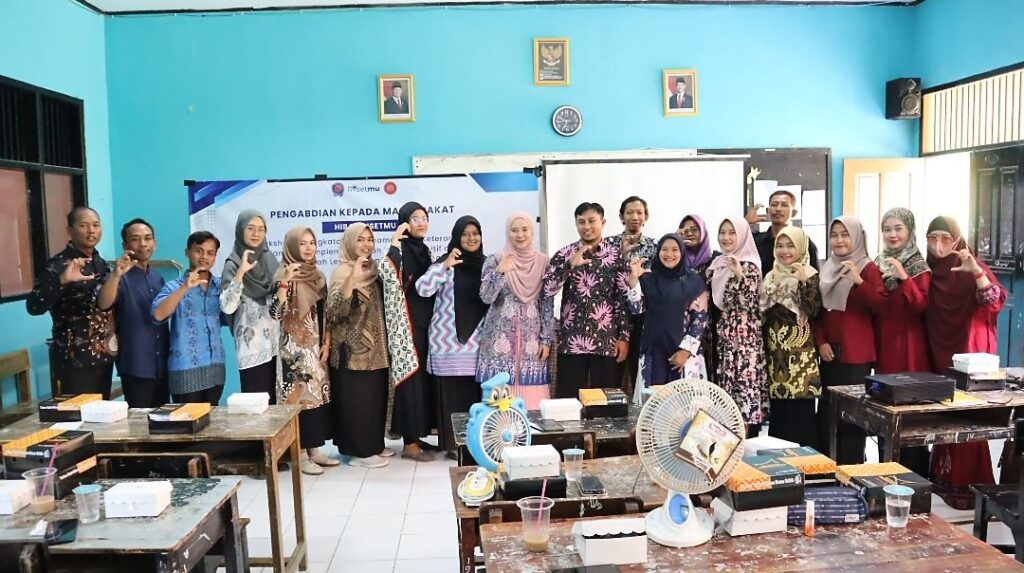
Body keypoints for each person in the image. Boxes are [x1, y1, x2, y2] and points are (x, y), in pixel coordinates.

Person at [924, 216, 1006, 509]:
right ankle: (943, 480)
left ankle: (968, 488)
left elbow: (994, 302)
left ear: (957, 240)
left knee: (967, 419)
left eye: (946, 238)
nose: (939, 244)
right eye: (933, 237)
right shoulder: (930, 270)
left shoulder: (970, 265)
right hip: (941, 347)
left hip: (969, 349)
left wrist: (978, 274)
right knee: (946, 416)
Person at [327, 223, 418, 469]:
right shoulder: (342, 271)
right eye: (360, 240)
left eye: (369, 239)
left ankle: (373, 444)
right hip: (352, 353)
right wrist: (352, 280)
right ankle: (359, 453)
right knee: (357, 403)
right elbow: (334, 310)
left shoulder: (373, 268)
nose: (366, 244)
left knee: (373, 402)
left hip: (376, 351)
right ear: (349, 243)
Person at [815, 216, 887, 464]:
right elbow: (818, 310)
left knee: (852, 416)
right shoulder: (827, 267)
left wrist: (859, 281)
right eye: (834, 235)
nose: (839, 240)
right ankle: (828, 466)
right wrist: (820, 341)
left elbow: (881, 305)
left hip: (856, 354)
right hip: (829, 353)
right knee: (828, 413)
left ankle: (852, 468)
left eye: (845, 234)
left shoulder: (868, 268)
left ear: (856, 237)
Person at [416, 216, 489, 455]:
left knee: (475, 401)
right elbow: (423, 289)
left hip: (477, 345)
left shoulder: (487, 265)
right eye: (465, 234)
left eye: (475, 233)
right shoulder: (445, 263)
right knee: (451, 400)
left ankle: (475, 445)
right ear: (457, 237)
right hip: (447, 347)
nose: (471, 238)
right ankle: (452, 446)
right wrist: (445, 265)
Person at [543, 202, 631, 399]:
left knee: (605, 403)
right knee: (568, 402)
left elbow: (622, 298)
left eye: (592, 221)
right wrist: (569, 266)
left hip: (606, 341)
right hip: (572, 341)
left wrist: (623, 337)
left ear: (603, 222)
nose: (587, 226)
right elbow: (547, 290)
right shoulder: (565, 254)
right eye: (581, 222)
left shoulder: (616, 256)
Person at [26, 207, 116, 398]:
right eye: (84, 225)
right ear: (70, 230)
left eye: (96, 225)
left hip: (104, 356)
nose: (91, 231)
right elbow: (34, 306)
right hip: (74, 359)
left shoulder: (101, 264)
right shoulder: (57, 265)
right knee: (77, 414)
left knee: (103, 413)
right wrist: (62, 281)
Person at [270, 227, 336, 475]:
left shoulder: (318, 276)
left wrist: (326, 342)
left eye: (312, 243)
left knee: (315, 401)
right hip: (293, 353)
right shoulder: (283, 274)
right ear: (291, 247)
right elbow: (275, 313)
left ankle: (314, 450)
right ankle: (298, 454)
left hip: (316, 349)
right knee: (298, 403)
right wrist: (285, 283)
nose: (309, 248)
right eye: (302, 243)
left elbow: (326, 313)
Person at [872, 208, 931, 475]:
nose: (892, 234)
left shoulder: (918, 265)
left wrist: (904, 279)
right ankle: (887, 472)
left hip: (909, 346)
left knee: (910, 410)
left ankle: (914, 475)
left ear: (909, 230)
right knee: (886, 408)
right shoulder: (879, 261)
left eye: (898, 228)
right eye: (887, 229)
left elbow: (921, 305)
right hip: (885, 344)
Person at [476, 212, 554, 409]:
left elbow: (547, 304)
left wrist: (546, 340)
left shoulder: (544, 262)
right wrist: (500, 272)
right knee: (499, 407)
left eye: (525, 229)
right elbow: (486, 297)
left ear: (532, 231)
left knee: (533, 405)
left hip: (532, 342)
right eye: (514, 230)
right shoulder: (495, 259)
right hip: (499, 342)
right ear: (507, 232)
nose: (520, 235)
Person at [627, 233, 709, 402]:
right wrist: (634, 280)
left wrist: (686, 351)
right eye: (664, 249)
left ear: (682, 252)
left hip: (683, 355)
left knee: (684, 406)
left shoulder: (694, 281)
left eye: (674, 250)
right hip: (653, 352)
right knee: (653, 405)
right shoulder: (648, 279)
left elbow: (700, 318)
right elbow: (636, 309)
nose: (669, 254)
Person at [96, 218, 169, 407]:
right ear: (125, 245)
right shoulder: (119, 277)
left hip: (162, 365)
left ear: (154, 243)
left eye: (148, 238)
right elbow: (103, 303)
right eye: (135, 239)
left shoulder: (157, 278)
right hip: (136, 365)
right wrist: (116, 275)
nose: (143, 244)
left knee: (163, 420)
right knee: (140, 421)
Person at [761, 227, 822, 448]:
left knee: (800, 417)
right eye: (780, 245)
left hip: (799, 358)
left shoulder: (810, 274)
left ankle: (806, 465)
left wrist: (804, 282)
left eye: (790, 246)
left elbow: (813, 310)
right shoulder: (770, 277)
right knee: (780, 417)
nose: (784, 251)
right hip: (775, 355)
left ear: (801, 248)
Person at [707, 217, 767, 437]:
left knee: (744, 390)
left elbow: (751, 304)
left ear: (742, 236)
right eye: (722, 232)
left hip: (744, 340)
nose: (726, 237)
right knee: (728, 393)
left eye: (732, 232)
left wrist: (740, 275)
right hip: (725, 337)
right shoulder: (718, 264)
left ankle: (747, 443)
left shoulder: (749, 265)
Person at [151, 231, 226, 406]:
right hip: (185, 372)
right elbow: (158, 314)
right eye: (199, 251)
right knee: (186, 420)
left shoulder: (220, 286)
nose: (204, 257)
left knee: (213, 419)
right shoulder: (174, 286)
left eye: (210, 253)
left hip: (216, 371)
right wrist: (185, 287)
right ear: (187, 252)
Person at [390, 202, 437, 462]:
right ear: (404, 223)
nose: (421, 222)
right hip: (407, 325)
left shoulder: (422, 249)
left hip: (424, 323)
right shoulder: (400, 249)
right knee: (410, 381)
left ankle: (417, 436)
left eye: (424, 218)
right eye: (415, 218)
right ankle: (409, 443)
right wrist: (395, 244)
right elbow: (394, 280)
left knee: (421, 382)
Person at [220, 210, 281, 401]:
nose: (256, 234)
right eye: (251, 228)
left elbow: (278, 304)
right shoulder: (232, 264)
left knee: (277, 406)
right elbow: (227, 307)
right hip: (252, 350)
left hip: (276, 347)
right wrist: (241, 272)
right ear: (240, 230)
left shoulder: (270, 260)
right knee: (257, 407)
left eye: (261, 229)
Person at [609, 196, 657, 397]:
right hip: (613, 321)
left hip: (642, 320)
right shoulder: (609, 245)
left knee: (641, 381)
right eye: (629, 212)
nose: (635, 217)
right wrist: (620, 255)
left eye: (639, 213)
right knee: (612, 383)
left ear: (646, 217)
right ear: (621, 216)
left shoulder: (655, 247)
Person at [678, 214, 720, 378]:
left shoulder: (714, 260)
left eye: (694, 230)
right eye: (685, 230)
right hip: (679, 330)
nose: (689, 233)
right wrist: (675, 242)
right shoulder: (675, 262)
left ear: (703, 232)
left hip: (707, 330)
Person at [745, 190, 820, 276]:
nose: (778, 209)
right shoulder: (755, 241)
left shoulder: (804, 243)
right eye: (774, 205)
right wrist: (746, 223)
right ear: (767, 211)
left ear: (794, 213)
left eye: (784, 205)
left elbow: (815, 277)